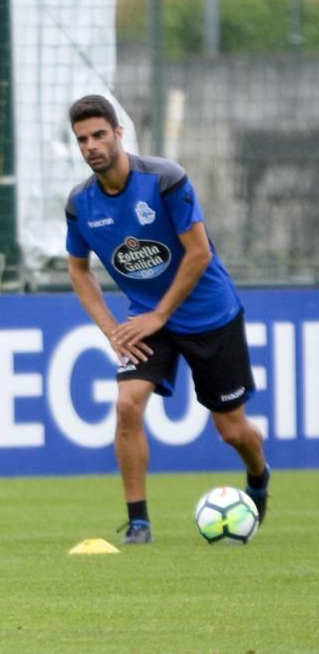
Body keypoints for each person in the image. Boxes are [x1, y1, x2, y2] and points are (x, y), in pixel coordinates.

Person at [63, 94, 270, 544]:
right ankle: (139, 523)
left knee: (232, 430)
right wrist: (111, 330)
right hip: (148, 321)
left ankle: (258, 476)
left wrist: (159, 313)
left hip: (209, 313)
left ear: (119, 134)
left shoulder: (164, 181)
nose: (91, 145)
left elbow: (198, 253)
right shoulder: (81, 205)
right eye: (82, 139)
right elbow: (78, 269)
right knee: (126, 405)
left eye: (99, 134)